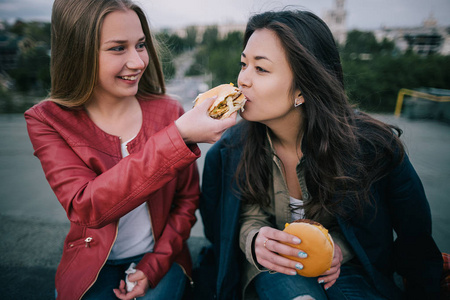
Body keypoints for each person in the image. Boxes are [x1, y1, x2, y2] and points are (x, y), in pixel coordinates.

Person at [198, 10, 443, 300]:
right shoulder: (229, 151)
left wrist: (339, 248)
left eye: (260, 69)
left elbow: (413, 239)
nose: (243, 80)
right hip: (270, 271)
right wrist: (253, 241)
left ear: (303, 87)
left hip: (348, 270)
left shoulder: (373, 149)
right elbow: (223, 229)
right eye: (243, 64)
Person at [24, 0, 236, 299]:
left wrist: (155, 264)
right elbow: (88, 207)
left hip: (161, 257)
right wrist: (177, 137)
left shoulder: (168, 110)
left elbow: (186, 202)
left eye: (140, 45)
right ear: (78, 53)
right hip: (91, 266)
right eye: (117, 48)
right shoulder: (47, 120)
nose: (138, 62)